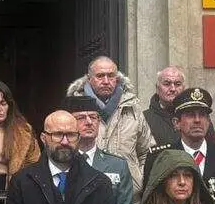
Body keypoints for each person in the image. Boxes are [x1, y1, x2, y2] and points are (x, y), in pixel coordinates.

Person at [66, 56, 157, 192]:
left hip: (129, 194)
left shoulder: (132, 108)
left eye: (111, 76)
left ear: (117, 78)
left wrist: (139, 179)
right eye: (100, 76)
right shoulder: (73, 109)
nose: (106, 81)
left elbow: (147, 151)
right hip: (85, 193)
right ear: (89, 78)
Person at [143, 66, 187, 145]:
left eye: (177, 84)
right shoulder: (144, 119)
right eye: (167, 84)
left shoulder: (197, 116)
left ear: (183, 89)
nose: (173, 89)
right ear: (157, 88)